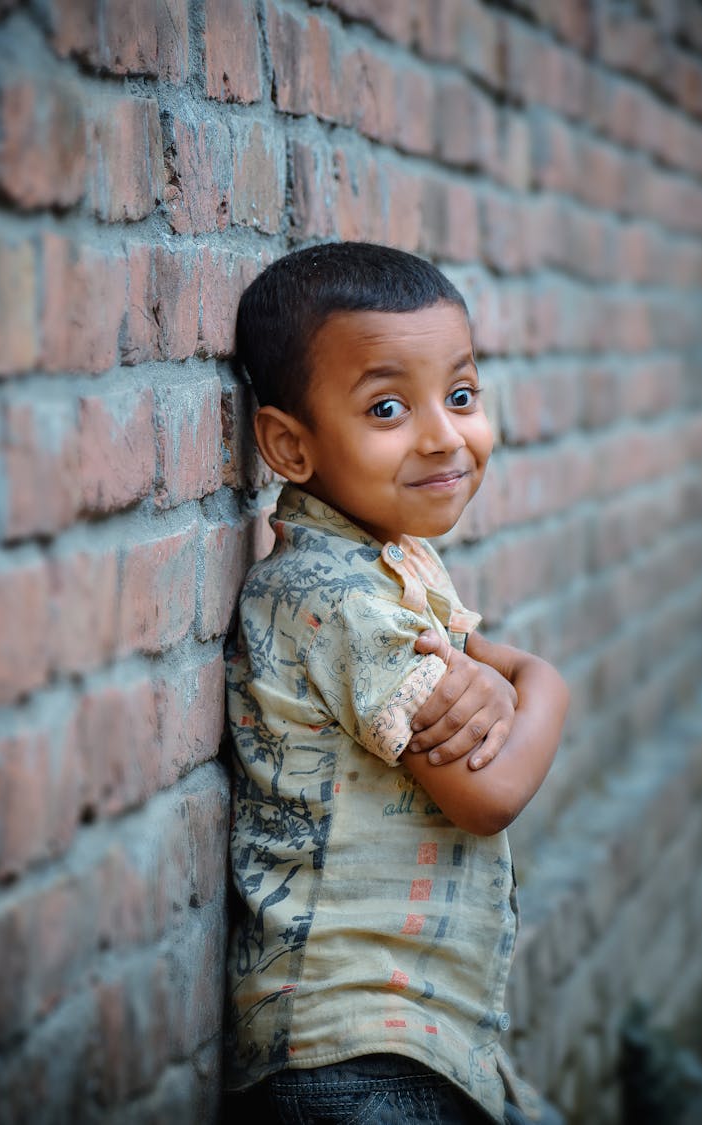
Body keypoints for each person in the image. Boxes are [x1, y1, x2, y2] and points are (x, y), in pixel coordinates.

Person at [224, 242, 569, 1124]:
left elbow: (471, 677)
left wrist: (501, 683)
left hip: (416, 1040)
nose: (444, 435)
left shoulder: (390, 564)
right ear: (288, 445)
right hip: (359, 1056)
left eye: (460, 395)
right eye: (387, 406)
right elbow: (486, 794)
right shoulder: (341, 600)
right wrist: (545, 681)